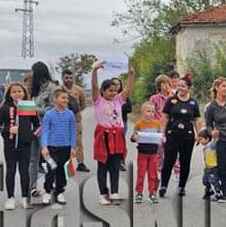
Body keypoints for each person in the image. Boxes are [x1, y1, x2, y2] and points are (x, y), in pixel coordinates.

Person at [91, 60, 135, 205]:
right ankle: (103, 194)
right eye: (110, 90)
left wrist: (131, 75)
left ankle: (115, 192)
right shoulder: (98, 101)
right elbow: (94, 86)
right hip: (103, 136)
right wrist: (94, 71)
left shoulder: (118, 101)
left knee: (115, 166)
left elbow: (127, 89)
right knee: (103, 166)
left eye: (115, 90)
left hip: (117, 136)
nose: (113, 93)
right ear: (103, 91)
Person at [0, 82, 40, 210]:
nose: (17, 94)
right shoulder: (4, 108)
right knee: (11, 171)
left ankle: (25, 197)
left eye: (19, 91)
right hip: (10, 145)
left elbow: (37, 125)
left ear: (24, 93)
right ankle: (10, 198)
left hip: (25, 145)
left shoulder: (29, 107)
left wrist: (30, 135)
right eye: (14, 92)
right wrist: (8, 129)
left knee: (24, 171)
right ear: (9, 94)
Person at [158, 76, 201, 198]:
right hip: (172, 135)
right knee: (169, 160)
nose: (180, 88)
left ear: (189, 88)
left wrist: (199, 133)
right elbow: (165, 117)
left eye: (183, 86)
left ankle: (182, 187)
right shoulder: (171, 100)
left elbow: (197, 119)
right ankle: (164, 185)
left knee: (185, 161)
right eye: (179, 86)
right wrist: (162, 133)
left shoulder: (193, 102)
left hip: (187, 136)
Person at [40, 88, 76, 206]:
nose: (65, 100)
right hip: (51, 148)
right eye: (63, 97)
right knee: (51, 169)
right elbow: (45, 131)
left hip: (65, 147)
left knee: (62, 170)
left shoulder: (70, 114)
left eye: (67, 98)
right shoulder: (49, 114)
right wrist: (44, 147)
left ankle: (60, 191)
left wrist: (73, 147)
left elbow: (73, 131)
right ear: (55, 99)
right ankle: (47, 191)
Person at [28, 62, 58, 195]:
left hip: (46, 126)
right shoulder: (35, 88)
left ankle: (52, 183)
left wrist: (35, 109)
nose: (31, 74)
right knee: (32, 159)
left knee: (48, 157)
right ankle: (32, 186)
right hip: (33, 126)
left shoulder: (52, 88)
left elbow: (55, 107)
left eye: (33, 71)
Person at [131, 101, 163, 203]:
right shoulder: (139, 124)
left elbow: (161, 135)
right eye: (148, 111)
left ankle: (152, 193)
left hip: (154, 153)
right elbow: (133, 136)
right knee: (141, 174)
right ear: (143, 112)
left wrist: (163, 138)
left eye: (153, 111)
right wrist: (134, 137)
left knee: (152, 174)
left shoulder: (157, 124)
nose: (151, 113)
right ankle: (139, 193)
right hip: (142, 153)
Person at [61, 69, 90, 172]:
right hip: (61, 121)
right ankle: (66, 164)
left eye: (70, 78)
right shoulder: (58, 90)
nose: (69, 80)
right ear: (62, 78)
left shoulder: (79, 90)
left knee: (78, 142)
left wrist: (75, 111)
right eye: (66, 78)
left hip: (76, 120)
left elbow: (83, 105)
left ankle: (80, 163)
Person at [198, 129, 223, 200]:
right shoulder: (205, 148)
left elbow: (215, 141)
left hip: (213, 167)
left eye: (201, 139)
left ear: (207, 139)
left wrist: (215, 136)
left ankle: (218, 193)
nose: (200, 141)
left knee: (214, 181)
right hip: (207, 167)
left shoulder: (211, 145)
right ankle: (209, 190)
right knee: (205, 181)